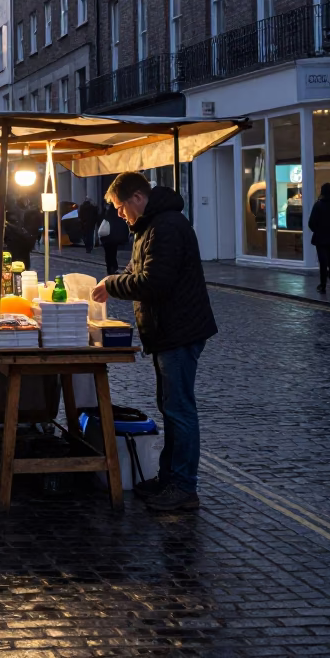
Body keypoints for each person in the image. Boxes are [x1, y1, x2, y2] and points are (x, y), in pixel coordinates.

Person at [92, 172, 217, 513]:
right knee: (170, 407)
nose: (120, 215)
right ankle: (168, 478)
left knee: (179, 410)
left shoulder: (166, 227)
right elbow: (139, 272)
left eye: (120, 207)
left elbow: (154, 281)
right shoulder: (149, 226)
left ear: (136, 198)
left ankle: (183, 486)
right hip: (167, 330)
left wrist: (113, 283)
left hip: (179, 330)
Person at [98, 201, 130, 275]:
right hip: (114, 236)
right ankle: (114, 268)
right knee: (113, 253)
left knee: (108, 254)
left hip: (107, 236)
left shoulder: (108, 212)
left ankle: (110, 268)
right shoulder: (118, 212)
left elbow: (102, 219)